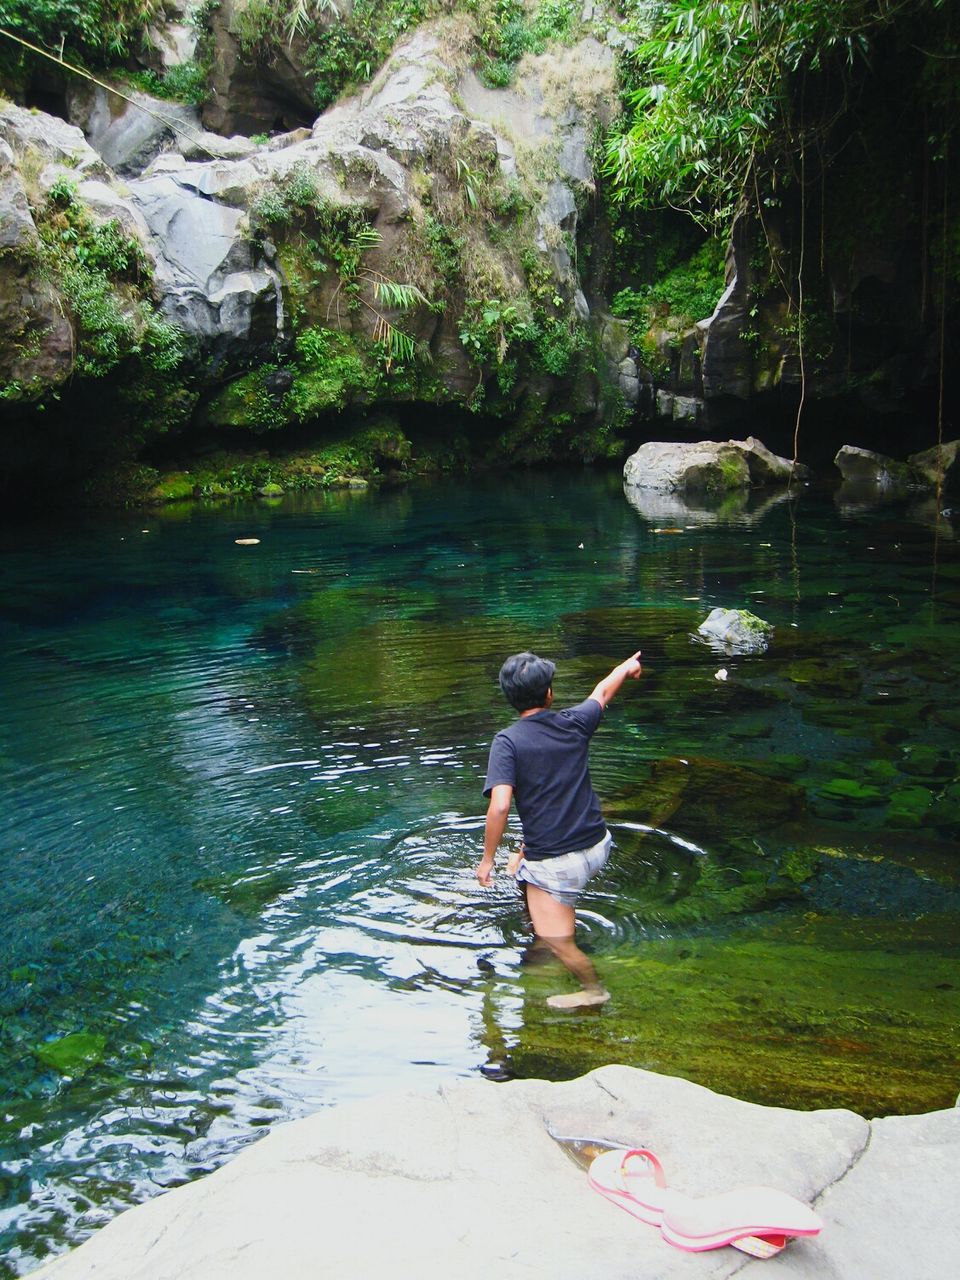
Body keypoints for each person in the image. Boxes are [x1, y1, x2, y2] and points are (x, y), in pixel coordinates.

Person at [475, 649, 642, 1009]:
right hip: (597, 845)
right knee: (522, 867)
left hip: (558, 863)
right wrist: (625, 667)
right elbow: (602, 692)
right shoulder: (573, 722)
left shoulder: (507, 742)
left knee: (558, 941)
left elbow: (501, 804)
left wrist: (487, 859)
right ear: (549, 694)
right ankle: (540, 916)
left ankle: (593, 989)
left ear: (508, 698)